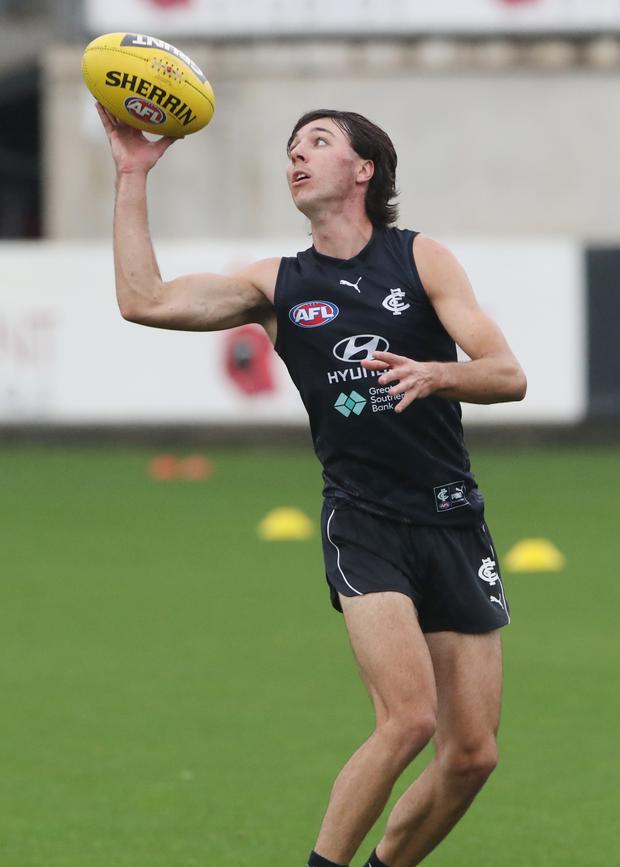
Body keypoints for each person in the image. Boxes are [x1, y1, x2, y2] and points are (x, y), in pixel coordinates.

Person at [97, 103, 527, 867]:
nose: (297, 156)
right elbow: (145, 300)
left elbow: (507, 374)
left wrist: (439, 372)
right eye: (291, 147)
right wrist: (132, 174)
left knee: (473, 756)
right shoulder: (279, 283)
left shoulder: (420, 258)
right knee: (407, 719)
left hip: (453, 518)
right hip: (363, 519)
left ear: (363, 170)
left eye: (318, 143)